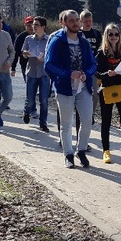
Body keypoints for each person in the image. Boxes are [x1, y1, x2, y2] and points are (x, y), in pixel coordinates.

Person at [43, 9, 97, 168]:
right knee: (66, 124)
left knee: (87, 121)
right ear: (63, 23)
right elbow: (49, 65)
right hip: (65, 89)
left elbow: (93, 63)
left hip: (83, 88)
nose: (75, 23)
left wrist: (87, 73)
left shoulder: (84, 42)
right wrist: (68, 73)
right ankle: (68, 154)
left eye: (77, 20)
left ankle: (81, 150)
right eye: (71, 20)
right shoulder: (57, 41)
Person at [94, 23, 121, 165]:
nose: (114, 37)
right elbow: (96, 73)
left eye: (116, 34)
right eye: (111, 34)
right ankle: (106, 151)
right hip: (106, 90)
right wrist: (106, 74)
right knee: (106, 121)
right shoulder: (101, 53)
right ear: (106, 36)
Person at [21, 16, 51, 132]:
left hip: (44, 73)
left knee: (44, 100)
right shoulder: (28, 39)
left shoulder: (49, 40)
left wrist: (45, 59)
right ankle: (26, 111)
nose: (34, 27)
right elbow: (23, 51)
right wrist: (25, 53)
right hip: (31, 72)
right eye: (33, 24)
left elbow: (52, 55)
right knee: (30, 100)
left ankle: (43, 123)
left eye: (36, 25)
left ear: (43, 27)